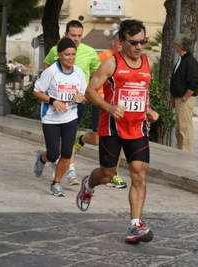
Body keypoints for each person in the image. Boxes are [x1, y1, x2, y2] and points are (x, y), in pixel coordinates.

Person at [76, 19, 158, 244]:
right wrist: (110, 108)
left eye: (143, 42)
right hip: (112, 128)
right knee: (107, 174)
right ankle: (89, 184)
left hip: (138, 129)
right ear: (121, 42)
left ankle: (135, 224)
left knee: (139, 174)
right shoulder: (111, 63)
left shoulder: (148, 63)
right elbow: (90, 91)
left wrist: (149, 109)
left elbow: (142, 92)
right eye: (134, 42)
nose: (139, 47)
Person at [44, 20, 101, 185]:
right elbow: (47, 64)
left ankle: (69, 169)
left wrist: (88, 92)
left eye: (79, 36)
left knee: (69, 133)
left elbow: (98, 73)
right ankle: (65, 166)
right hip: (57, 103)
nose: (76, 39)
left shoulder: (90, 52)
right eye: (73, 35)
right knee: (63, 136)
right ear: (66, 35)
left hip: (78, 101)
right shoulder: (57, 50)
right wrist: (52, 89)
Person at [32, 37, 87, 197]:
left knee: (67, 154)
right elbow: (36, 91)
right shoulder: (51, 72)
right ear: (59, 55)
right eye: (67, 54)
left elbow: (84, 95)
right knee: (53, 155)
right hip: (51, 119)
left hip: (70, 117)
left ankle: (56, 183)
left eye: (73, 54)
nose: (70, 58)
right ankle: (41, 158)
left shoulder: (78, 73)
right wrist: (53, 101)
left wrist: (81, 98)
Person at [73, 31, 127, 189]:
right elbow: (94, 81)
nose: (123, 47)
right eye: (120, 44)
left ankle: (113, 174)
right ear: (114, 43)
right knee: (97, 139)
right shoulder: (104, 58)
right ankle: (82, 139)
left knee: (120, 139)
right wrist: (102, 101)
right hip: (102, 103)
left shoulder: (128, 61)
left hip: (120, 107)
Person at [169, 34, 198, 152]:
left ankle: (186, 151)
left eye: (176, 44)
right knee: (179, 127)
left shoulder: (190, 62)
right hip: (179, 97)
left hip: (185, 98)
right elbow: (177, 80)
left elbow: (194, 82)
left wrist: (184, 98)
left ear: (180, 46)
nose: (175, 47)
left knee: (185, 127)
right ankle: (180, 149)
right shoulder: (181, 60)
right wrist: (173, 97)